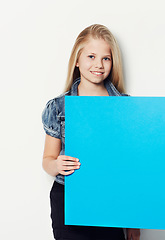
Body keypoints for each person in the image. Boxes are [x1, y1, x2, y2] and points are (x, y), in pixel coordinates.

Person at [42, 24, 140, 240]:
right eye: (91, 56)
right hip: (68, 199)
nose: (99, 64)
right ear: (77, 60)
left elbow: (130, 168)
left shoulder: (125, 106)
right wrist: (56, 164)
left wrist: (133, 221)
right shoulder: (59, 107)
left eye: (106, 58)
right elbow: (47, 160)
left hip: (111, 199)